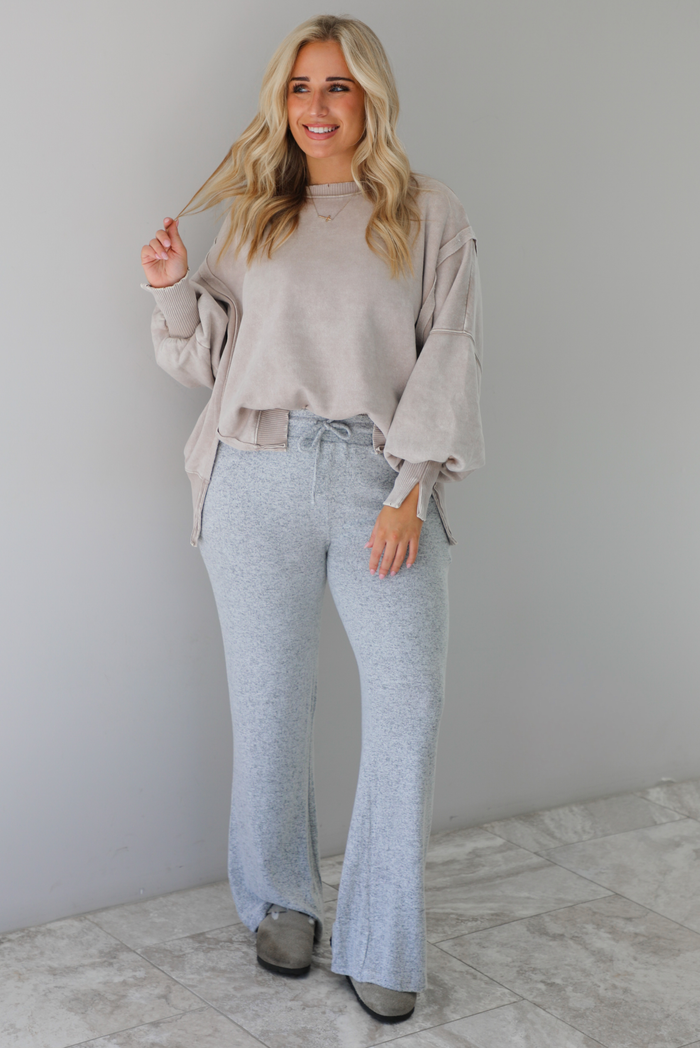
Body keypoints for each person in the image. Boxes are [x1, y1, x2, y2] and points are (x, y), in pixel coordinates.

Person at [140, 13, 483, 1025]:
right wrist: (169, 291)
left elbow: (450, 353)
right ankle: (282, 900)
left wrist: (411, 486)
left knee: (408, 702)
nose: (317, 106)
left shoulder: (429, 212)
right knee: (272, 704)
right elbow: (210, 362)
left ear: (368, 95)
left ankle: (381, 937)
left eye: (336, 86)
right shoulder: (257, 213)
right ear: (279, 102)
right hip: (254, 471)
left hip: (378, 477)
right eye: (300, 87)